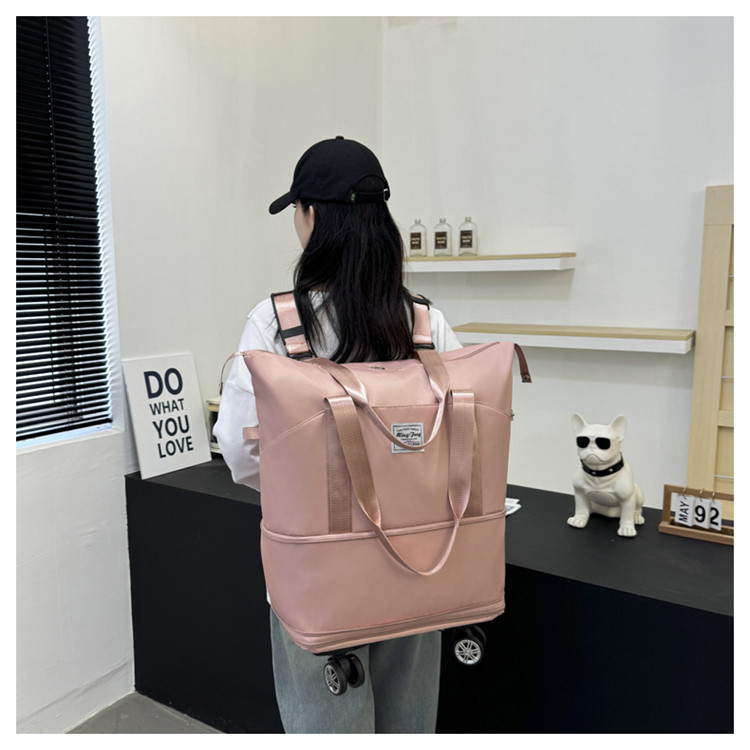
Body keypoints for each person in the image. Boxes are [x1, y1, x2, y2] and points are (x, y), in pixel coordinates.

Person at [214, 136, 462, 733]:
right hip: (418, 561)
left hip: (317, 571)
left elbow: (239, 451)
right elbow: (460, 431)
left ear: (312, 216)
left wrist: (308, 493)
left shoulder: (274, 324)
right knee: (409, 726)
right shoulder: (425, 322)